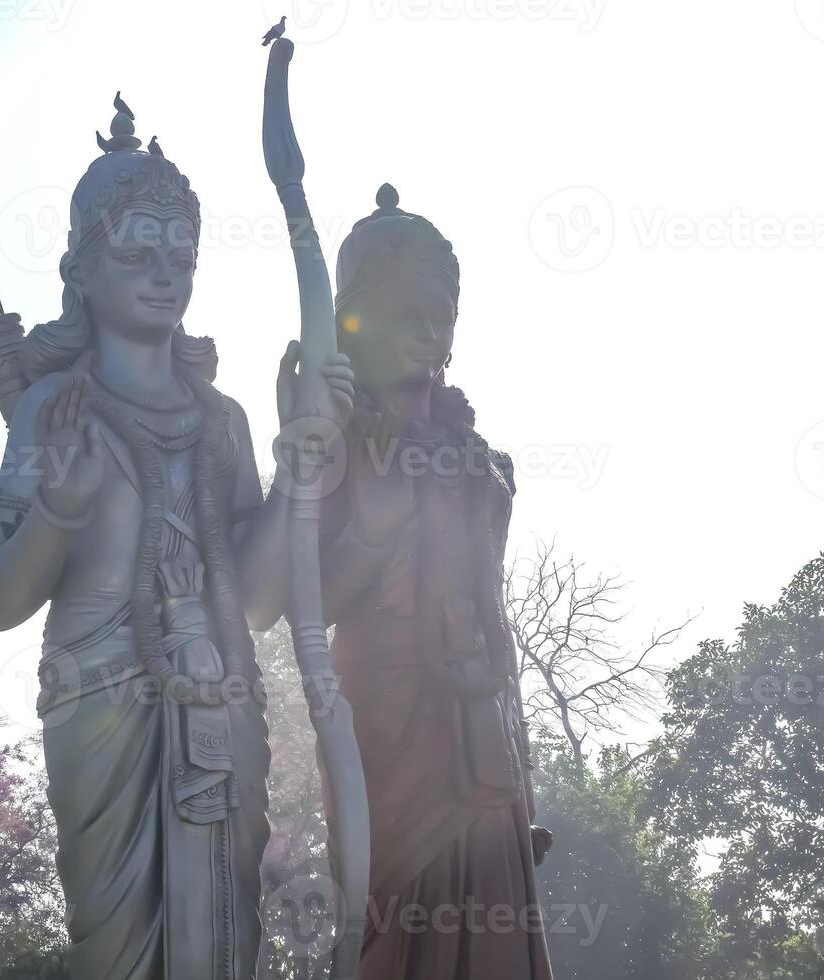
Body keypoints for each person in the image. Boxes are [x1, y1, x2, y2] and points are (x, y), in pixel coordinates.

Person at [0, 97, 353, 980]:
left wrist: (300, 467)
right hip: (101, 707)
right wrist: (58, 509)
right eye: (137, 252)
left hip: (225, 709)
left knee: (226, 944)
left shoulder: (223, 422)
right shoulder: (50, 407)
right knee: (117, 954)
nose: (165, 273)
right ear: (82, 270)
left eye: (181, 253)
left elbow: (256, 604)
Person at [318, 184, 555, 979]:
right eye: (402, 311)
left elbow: (492, 611)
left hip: (483, 724)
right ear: (352, 321)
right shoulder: (333, 444)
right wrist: (372, 525)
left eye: (440, 312)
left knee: (493, 914)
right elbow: (300, 599)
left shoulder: (480, 457)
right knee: (397, 917)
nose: (426, 330)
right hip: (387, 716)